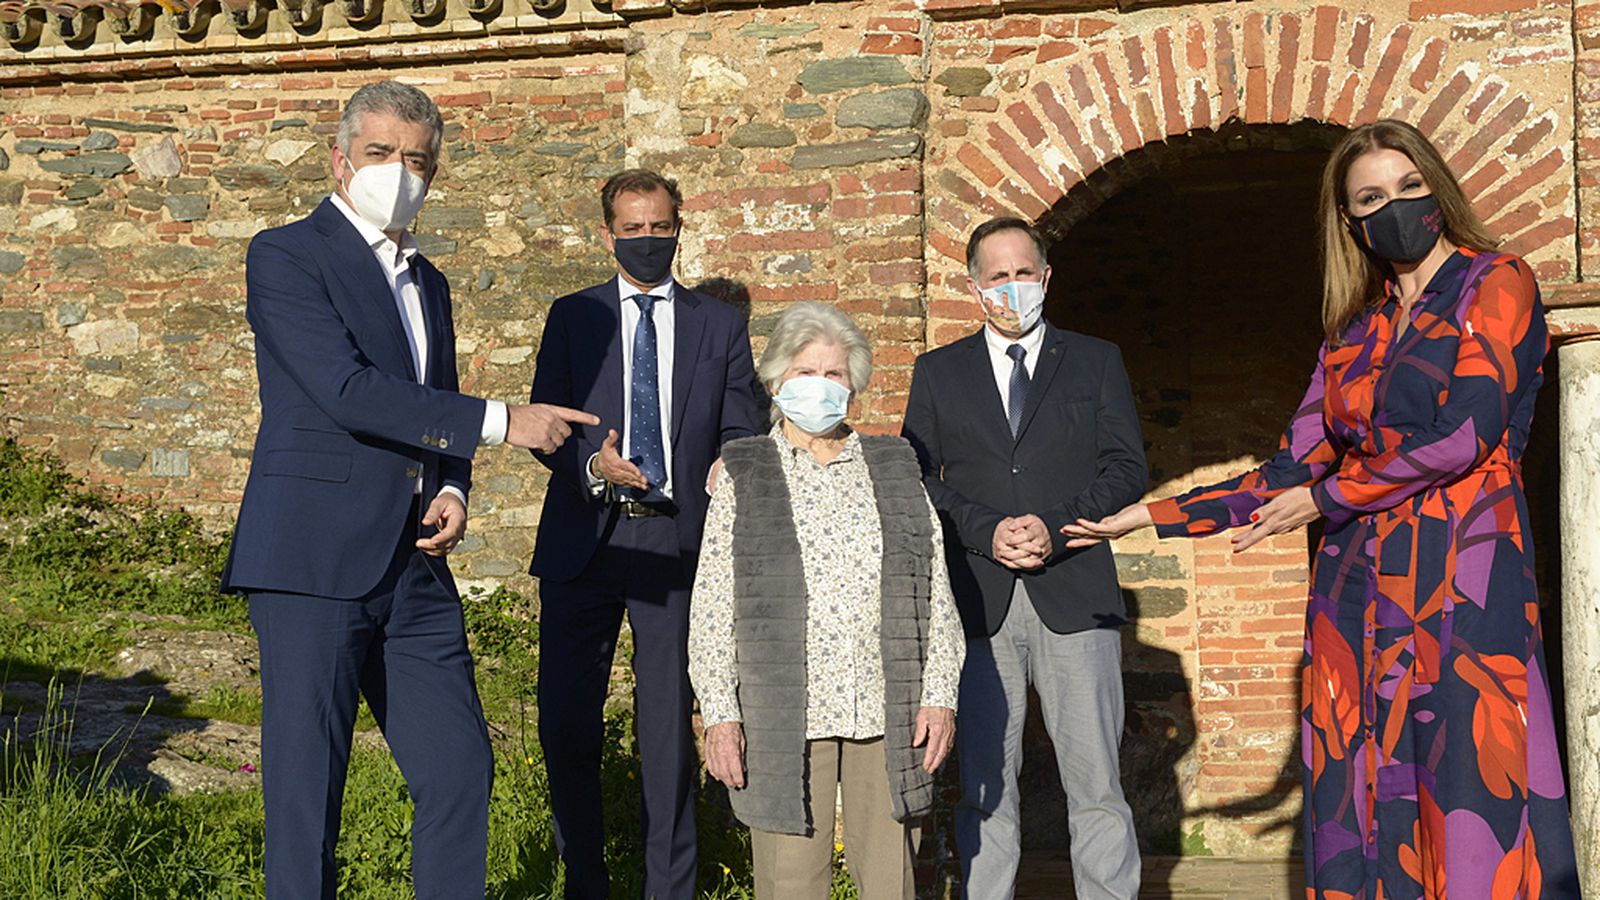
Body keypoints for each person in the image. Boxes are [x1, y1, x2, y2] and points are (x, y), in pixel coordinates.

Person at [1063, 119, 1581, 898]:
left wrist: (1327, 496)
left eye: (1409, 187)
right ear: (1350, 221)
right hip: (1356, 596)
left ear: (1438, 187)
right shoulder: (1354, 331)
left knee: (1472, 789)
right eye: (1372, 197)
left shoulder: (1495, 281)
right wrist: (1152, 517)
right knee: (1363, 791)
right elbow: (1288, 469)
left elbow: (1464, 436)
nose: (1396, 206)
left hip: (1464, 583)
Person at [220, 81, 597, 898]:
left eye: (417, 160)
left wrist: (455, 487)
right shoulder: (285, 253)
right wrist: (507, 421)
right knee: (305, 791)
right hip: (311, 557)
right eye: (382, 153)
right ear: (341, 157)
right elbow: (345, 390)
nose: (399, 172)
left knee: (460, 769)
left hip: (415, 567)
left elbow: (436, 407)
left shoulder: (432, 284)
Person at [527, 168, 764, 899]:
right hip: (584, 544)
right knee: (568, 725)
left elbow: (743, 422)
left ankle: (671, 888)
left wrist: (731, 459)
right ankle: (585, 881)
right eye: (633, 229)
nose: (647, 240)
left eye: (660, 227)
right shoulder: (574, 316)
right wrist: (591, 463)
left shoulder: (717, 325)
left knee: (666, 737)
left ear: (678, 227)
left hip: (674, 545)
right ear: (608, 235)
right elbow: (545, 423)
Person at [902, 217, 1147, 900]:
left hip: (1076, 591)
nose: (1011, 287)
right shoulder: (939, 372)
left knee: (1097, 785)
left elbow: (1127, 469)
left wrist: (1056, 526)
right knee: (984, 787)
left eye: (1022, 273)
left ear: (1045, 278)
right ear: (974, 286)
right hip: (980, 602)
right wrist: (987, 530)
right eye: (996, 275)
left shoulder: (1096, 360)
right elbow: (918, 479)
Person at [688, 301, 966, 900]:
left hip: (888, 712)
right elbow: (711, 606)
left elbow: (935, 590)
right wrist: (720, 713)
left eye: (834, 373)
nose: (820, 385)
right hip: (783, 715)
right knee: (790, 887)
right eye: (804, 372)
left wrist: (940, 696)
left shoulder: (895, 466)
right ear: (775, 381)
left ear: (856, 385)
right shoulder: (744, 470)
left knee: (892, 885)